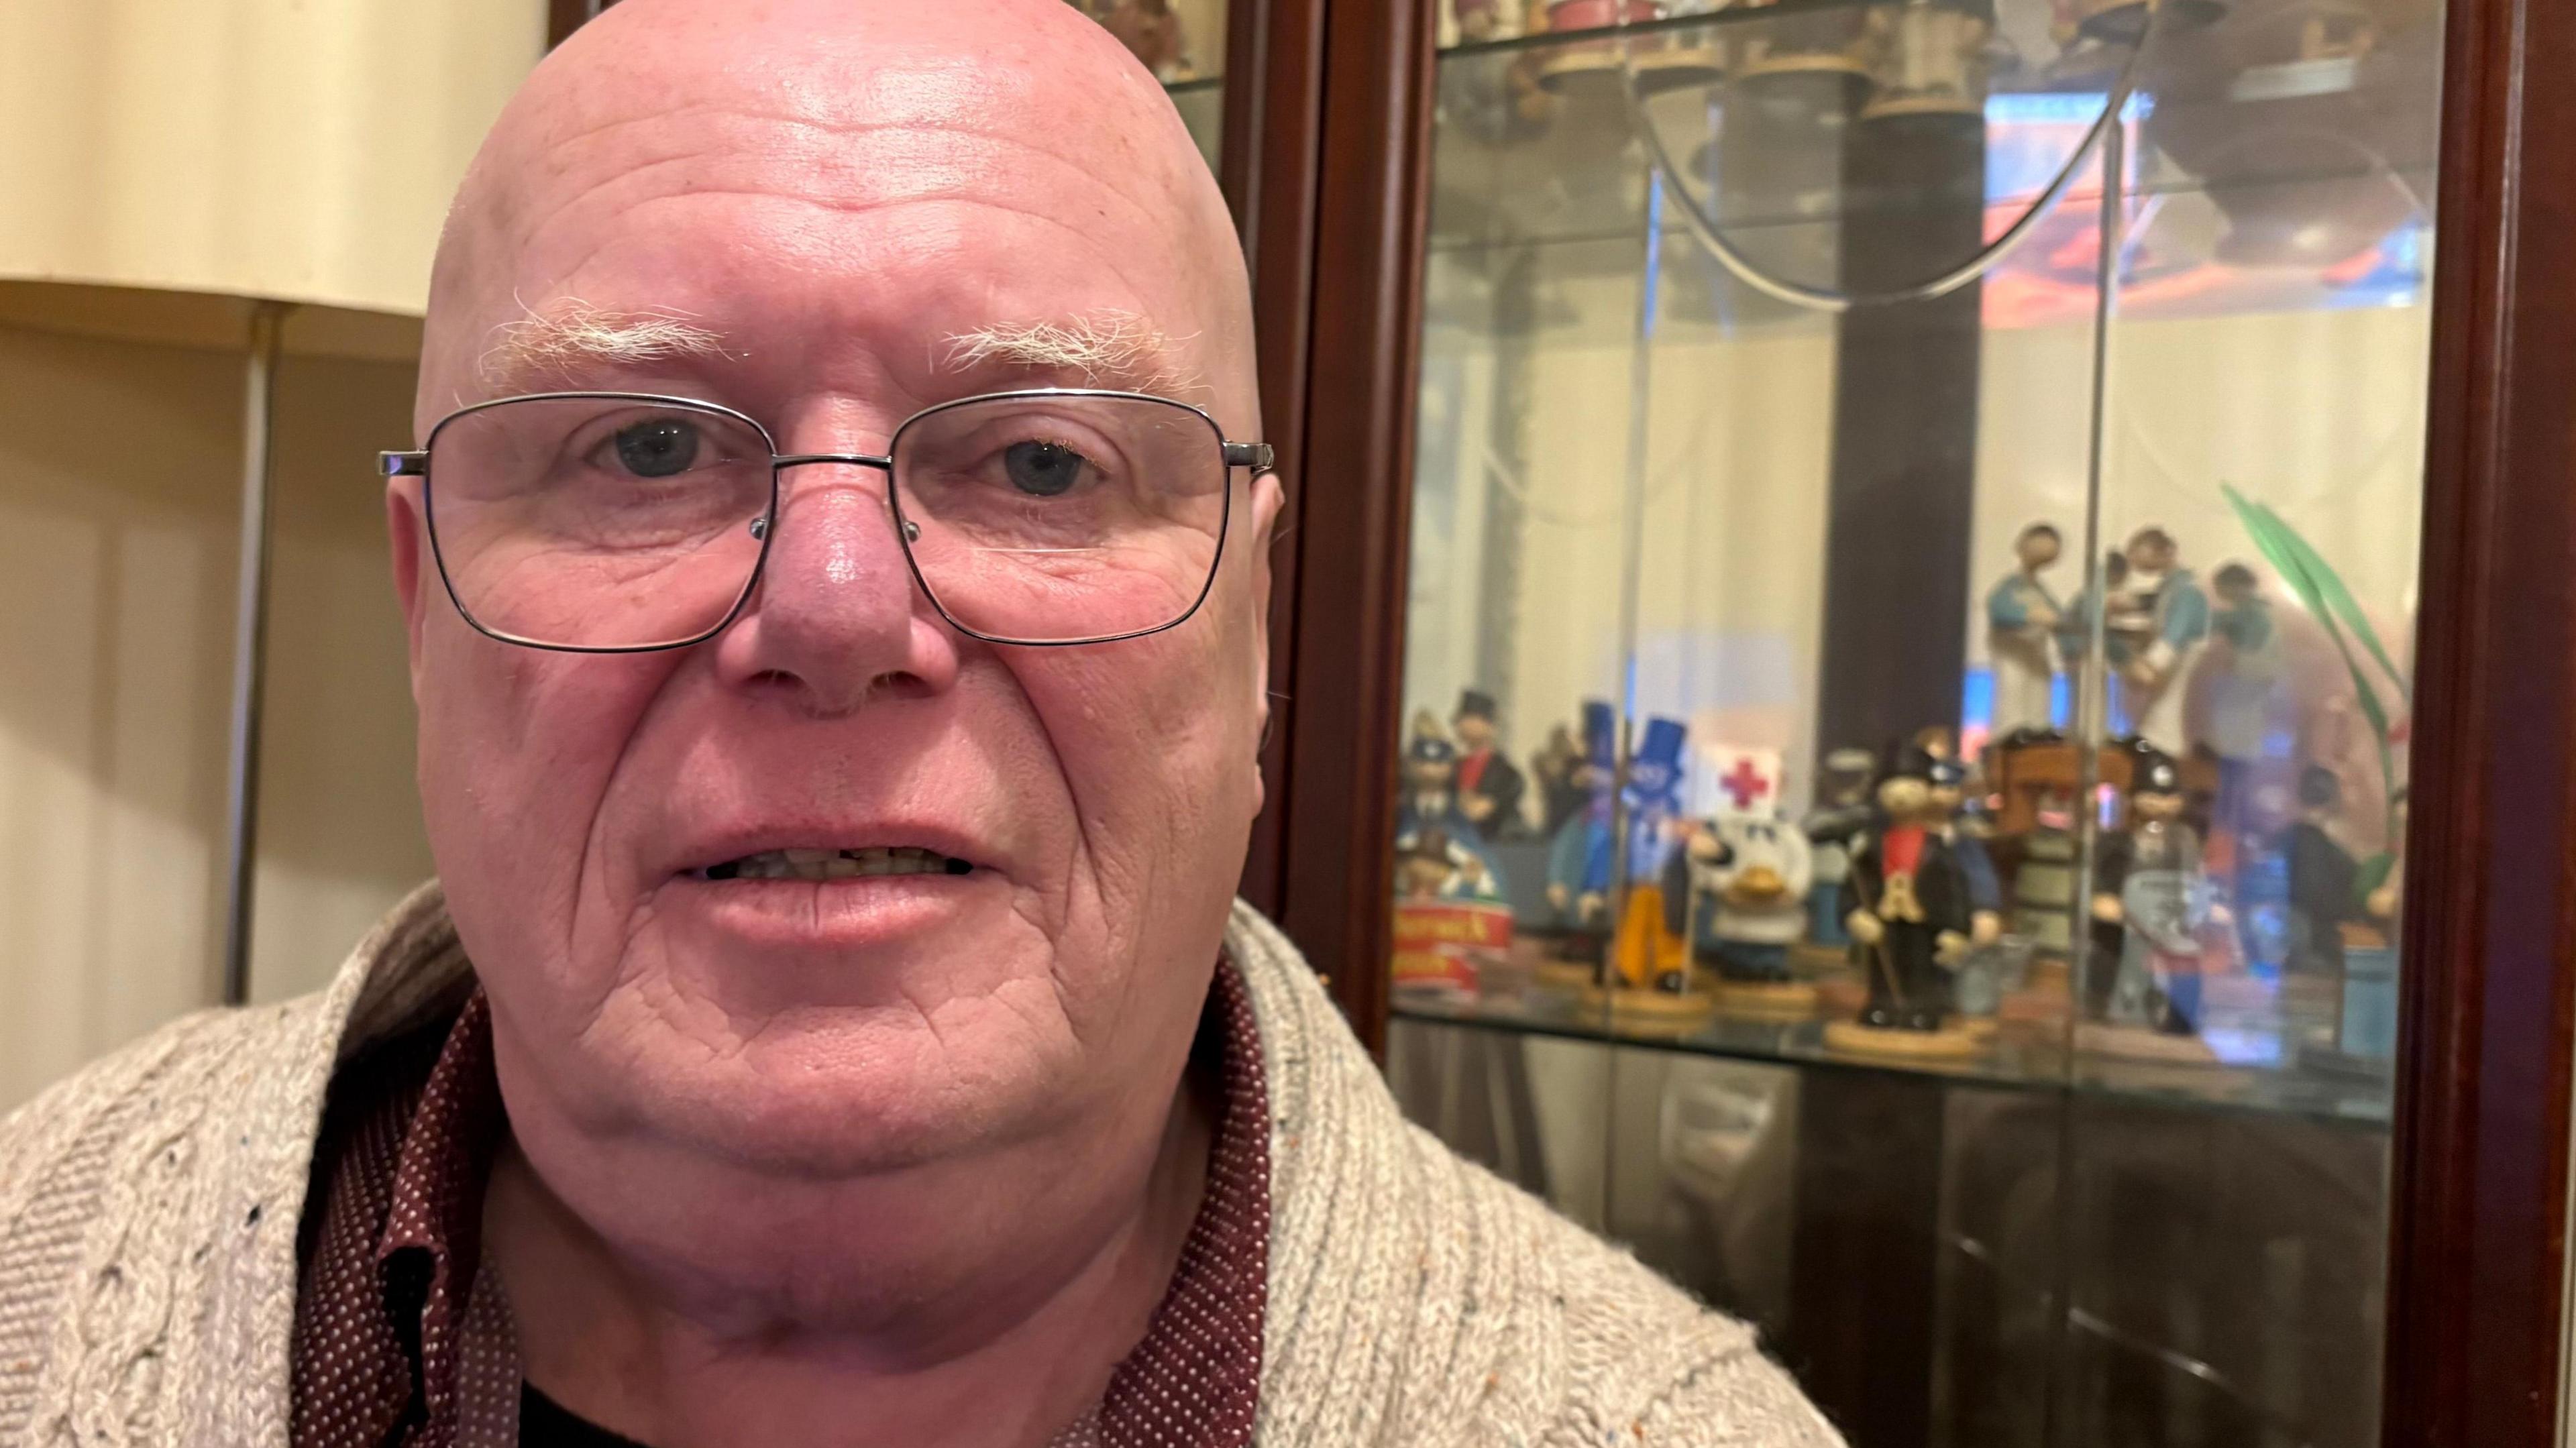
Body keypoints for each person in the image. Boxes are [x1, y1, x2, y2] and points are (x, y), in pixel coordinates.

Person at [0, 3, 1840, 1445]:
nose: (832, 611)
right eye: (646, 447)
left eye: (1043, 461)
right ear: (423, 607)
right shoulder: (32, 1275)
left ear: (1254, 631)